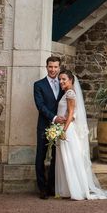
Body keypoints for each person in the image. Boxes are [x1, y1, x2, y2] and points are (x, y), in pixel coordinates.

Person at [55, 69, 107, 200]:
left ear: (71, 80)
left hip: (67, 130)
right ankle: (69, 189)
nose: (61, 81)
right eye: (60, 79)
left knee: (70, 159)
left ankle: (76, 190)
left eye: (64, 79)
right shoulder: (67, 93)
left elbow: (71, 113)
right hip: (64, 127)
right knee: (66, 159)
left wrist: (63, 130)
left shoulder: (70, 93)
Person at [33, 56, 65, 199]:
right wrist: (54, 118)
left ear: (59, 68)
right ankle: (42, 188)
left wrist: (62, 120)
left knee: (56, 158)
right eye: (50, 67)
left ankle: (52, 186)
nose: (53, 69)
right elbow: (40, 106)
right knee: (40, 157)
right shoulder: (38, 85)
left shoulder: (63, 83)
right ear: (46, 67)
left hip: (60, 127)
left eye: (55, 67)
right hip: (44, 125)